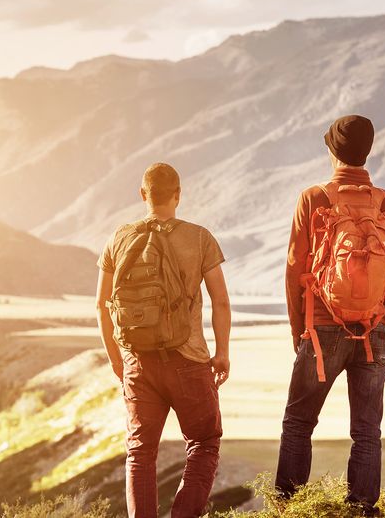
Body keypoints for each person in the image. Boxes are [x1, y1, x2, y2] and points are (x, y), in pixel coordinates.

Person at [275, 114, 385, 516]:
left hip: (322, 328)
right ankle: (362, 509)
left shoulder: (313, 197)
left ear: (332, 150)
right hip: (377, 329)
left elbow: (293, 268)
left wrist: (299, 330)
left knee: (299, 422)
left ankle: (290, 508)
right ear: (367, 151)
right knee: (367, 431)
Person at [95, 162, 232, 518]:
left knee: (140, 453)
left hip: (138, 361)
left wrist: (116, 359)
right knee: (203, 443)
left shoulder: (119, 238)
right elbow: (220, 300)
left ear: (143, 195)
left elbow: (101, 303)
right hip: (188, 359)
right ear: (178, 195)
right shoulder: (199, 237)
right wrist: (222, 353)